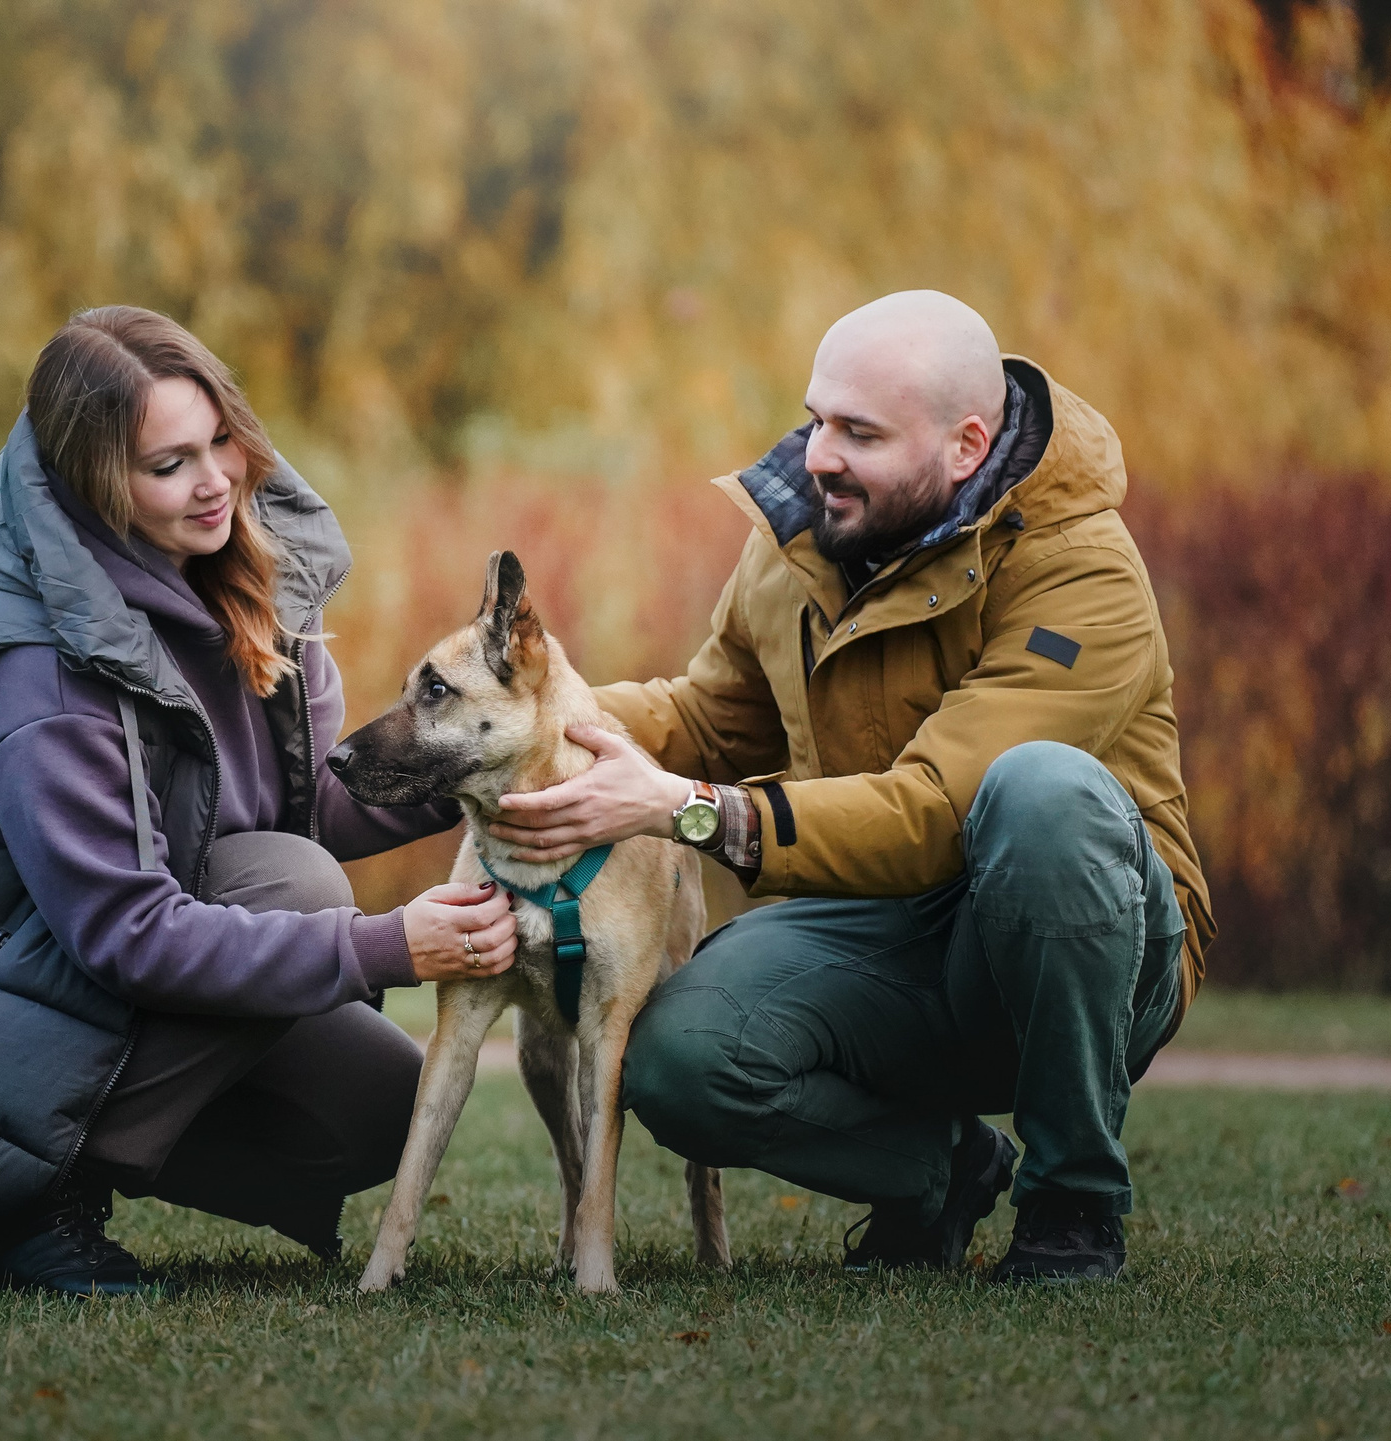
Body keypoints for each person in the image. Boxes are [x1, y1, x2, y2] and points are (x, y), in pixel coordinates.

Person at [0, 306, 514, 1297]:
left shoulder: (236, 587)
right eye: (169, 463)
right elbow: (125, 930)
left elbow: (293, 809)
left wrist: (498, 766)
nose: (216, 478)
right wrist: (385, 945)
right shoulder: (31, 663)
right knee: (297, 887)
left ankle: (47, 1170)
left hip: (54, 1016)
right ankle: (18, 1201)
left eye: (220, 438)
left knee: (378, 1101)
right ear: (96, 483)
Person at [489, 290, 1213, 1283]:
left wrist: (689, 808)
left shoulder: (1078, 569)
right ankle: (941, 1173)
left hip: (1093, 950)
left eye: (857, 432)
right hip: (884, 928)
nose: (817, 455)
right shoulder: (804, 535)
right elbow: (707, 719)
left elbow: (936, 810)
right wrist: (508, 727)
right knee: (676, 1062)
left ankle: (1071, 1203)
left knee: (1042, 796)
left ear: (964, 445)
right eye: (815, 418)